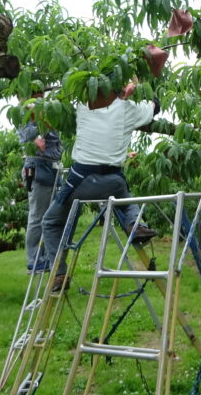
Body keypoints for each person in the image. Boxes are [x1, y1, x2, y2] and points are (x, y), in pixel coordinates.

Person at [39, 79, 158, 290]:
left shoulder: (83, 107)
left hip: (81, 181)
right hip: (114, 181)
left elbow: (101, 105)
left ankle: (59, 274)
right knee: (124, 195)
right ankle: (136, 224)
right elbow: (154, 106)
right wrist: (143, 86)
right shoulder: (128, 110)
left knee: (51, 221)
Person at [19, 110, 64, 273]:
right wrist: (38, 121)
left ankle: (44, 256)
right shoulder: (25, 117)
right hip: (39, 169)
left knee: (49, 217)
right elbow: (26, 136)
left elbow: (56, 143)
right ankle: (34, 260)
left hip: (53, 170)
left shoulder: (49, 114)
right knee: (37, 216)